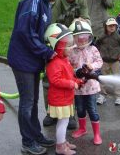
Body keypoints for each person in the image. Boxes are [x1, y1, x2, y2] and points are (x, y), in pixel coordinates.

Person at [7, 0, 66, 155]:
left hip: (32, 60)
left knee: (33, 101)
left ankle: (36, 135)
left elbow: (41, 32)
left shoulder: (45, 2)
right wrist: (47, 53)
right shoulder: (32, 0)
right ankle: (27, 142)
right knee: (27, 102)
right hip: (22, 60)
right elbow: (26, 33)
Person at [43, 0, 90, 128]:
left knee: (71, 79)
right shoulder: (56, 1)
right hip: (56, 45)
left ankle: (70, 114)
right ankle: (51, 112)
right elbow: (50, 26)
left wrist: (81, 21)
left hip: (73, 47)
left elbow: (87, 20)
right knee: (50, 80)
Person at [44, 23, 83, 155]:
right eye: (67, 45)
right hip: (60, 99)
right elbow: (55, 80)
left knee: (64, 122)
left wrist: (78, 81)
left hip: (65, 98)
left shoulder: (64, 60)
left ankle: (63, 141)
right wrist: (72, 84)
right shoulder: (55, 63)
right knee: (62, 123)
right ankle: (60, 147)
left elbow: (69, 76)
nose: (71, 48)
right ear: (58, 46)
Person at [69, 19, 103, 145]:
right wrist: (76, 71)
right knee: (80, 109)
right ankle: (82, 129)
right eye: (78, 37)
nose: (82, 40)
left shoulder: (93, 49)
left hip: (91, 88)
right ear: (74, 38)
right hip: (78, 88)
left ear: (89, 36)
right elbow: (67, 66)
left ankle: (97, 134)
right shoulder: (72, 51)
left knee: (92, 110)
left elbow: (99, 62)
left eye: (85, 37)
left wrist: (92, 66)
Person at [96, 18, 120, 105]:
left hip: (115, 62)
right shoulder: (102, 37)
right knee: (103, 78)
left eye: (114, 25)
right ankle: (102, 95)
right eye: (110, 26)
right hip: (104, 61)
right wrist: (98, 53)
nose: (112, 27)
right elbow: (96, 44)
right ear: (105, 26)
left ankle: (118, 96)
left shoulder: (118, 37)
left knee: (117, 79)